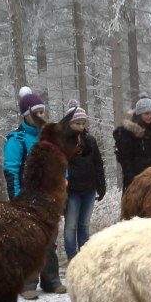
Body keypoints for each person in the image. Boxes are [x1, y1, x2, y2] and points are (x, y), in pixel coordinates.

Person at [3, 86, 66, 300]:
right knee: (29, 240)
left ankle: (52, 280)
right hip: (27, 199)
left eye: (42, 112)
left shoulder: (47, 137)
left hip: (49, 198)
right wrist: (17, 198)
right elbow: (11, 170)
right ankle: (27, 283)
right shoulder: (17, 140)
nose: (41, 116)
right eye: (36, 113)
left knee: (50, 238)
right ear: (26, 115)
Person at [63, 100, 106, 261]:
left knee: (84, 225)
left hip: (89, 189)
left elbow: (98, 164)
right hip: (71, 191)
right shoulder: (63, 142)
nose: (81, 127)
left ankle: (84, 258)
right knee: (70, 226)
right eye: (77, 123)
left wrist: (101, 186)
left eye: (83, 123)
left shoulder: (90, 141)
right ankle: (72, 258)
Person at [113, 92, 151, 191]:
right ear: (139, 114)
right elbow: (125, 158)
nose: (149, 116)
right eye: (146, 113)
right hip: (136, 179)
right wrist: (132, 180)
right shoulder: (128, 132)